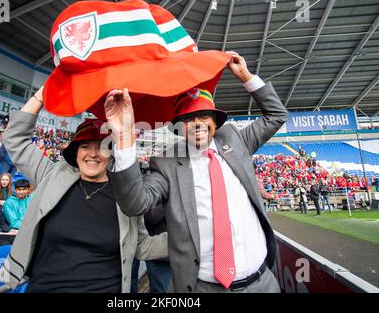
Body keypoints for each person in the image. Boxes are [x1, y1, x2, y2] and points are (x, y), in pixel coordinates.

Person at [106, 52, 287, 293]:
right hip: (203, 288)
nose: (198, 123)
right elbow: (135, 204)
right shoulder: (166, 163)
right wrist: (123, 139)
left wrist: (245, 76)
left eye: (203, 115)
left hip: (261, 284)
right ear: (179, 128)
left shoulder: (235, 139)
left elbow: (276, 115)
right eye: (189, 118)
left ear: (215, 120)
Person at [0, 87, 167, 293]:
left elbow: (142, 245)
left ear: (112, 154)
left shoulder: (125, 196)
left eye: (102, 146)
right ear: (75, 152)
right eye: (85, 146)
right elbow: (15, 140)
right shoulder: (52, 176)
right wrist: (42, 94)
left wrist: (193, 239)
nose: (93, 154)